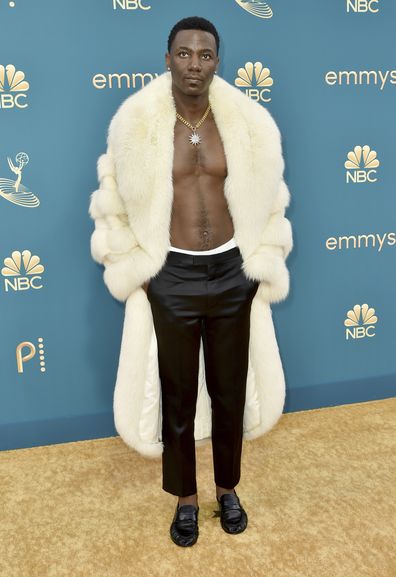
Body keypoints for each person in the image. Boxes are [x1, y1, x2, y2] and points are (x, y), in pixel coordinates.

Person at [89, 16, 293, 548]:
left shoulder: (246, 125)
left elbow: (270, 197)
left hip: (231, 273)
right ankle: (184, 498)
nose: (194, 64)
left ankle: (227, 489)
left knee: (228, 392)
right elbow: (114, 207)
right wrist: (141, 268)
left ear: (217, 61)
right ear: (168, 59)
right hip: (172, 275)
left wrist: (259, 261)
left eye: (205, 54)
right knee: (178, 396)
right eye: (184, 54)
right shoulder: (135, 125)